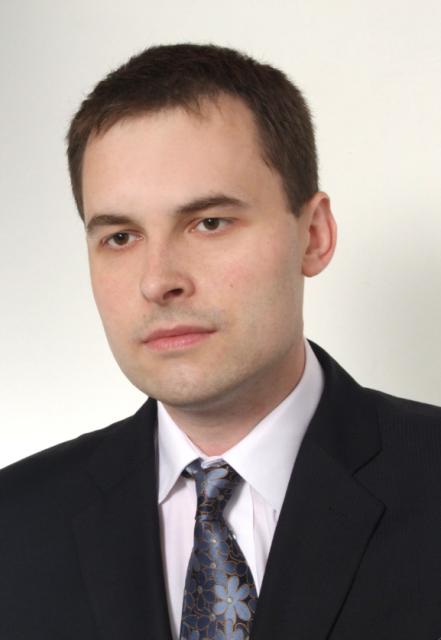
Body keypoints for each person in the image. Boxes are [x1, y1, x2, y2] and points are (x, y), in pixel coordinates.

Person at [1, 43, 440, 640]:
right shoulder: (14, 524)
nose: (158, 281)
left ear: (313, 235)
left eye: (209, 222)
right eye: (121, 236)